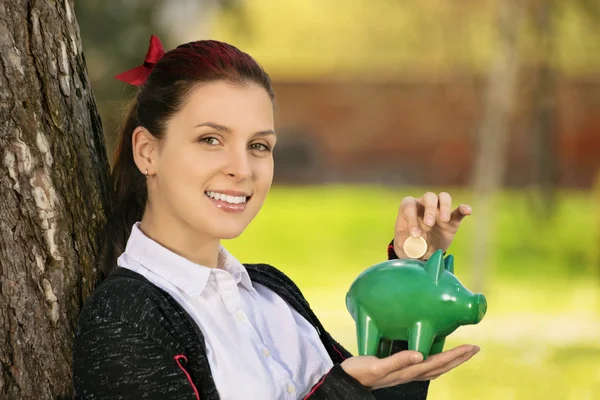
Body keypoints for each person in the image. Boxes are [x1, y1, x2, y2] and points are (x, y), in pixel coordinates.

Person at [72, 35, 480, 400]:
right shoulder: (125, 316)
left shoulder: (272, 290)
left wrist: (413, 279)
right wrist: (343, 390)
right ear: (147, 151)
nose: (242, 168)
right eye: (210, 140)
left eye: (259, 145)